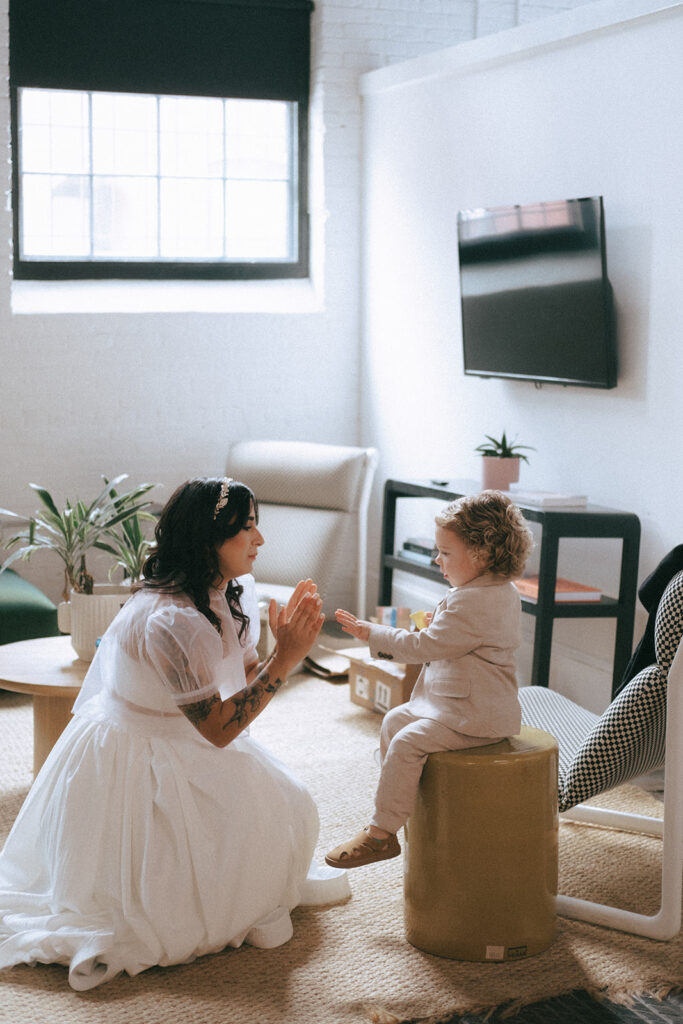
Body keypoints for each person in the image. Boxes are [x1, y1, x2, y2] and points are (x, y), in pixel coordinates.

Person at [0, 476, 350, 990]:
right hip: (141, 755)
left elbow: (236, 686)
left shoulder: (227, 592)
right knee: (173, 900)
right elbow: (220, 729)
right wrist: (286, 658)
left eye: (258, 526)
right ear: (208, 540)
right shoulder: (172, 621)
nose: (260, 540)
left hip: (182, 735)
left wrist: (273, 649)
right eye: (247, 528)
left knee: (288, 807)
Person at [325, 490, 534, 869]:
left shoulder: (477, 601)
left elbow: (425, 647)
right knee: (393, 720)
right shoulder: (484, 591)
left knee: (406, 742)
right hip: (451, 706)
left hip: (475, 716)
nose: (437, 559)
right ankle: (407, 805)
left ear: (481, 554)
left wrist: (372, 634)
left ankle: (380, 834)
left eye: (445, 552)